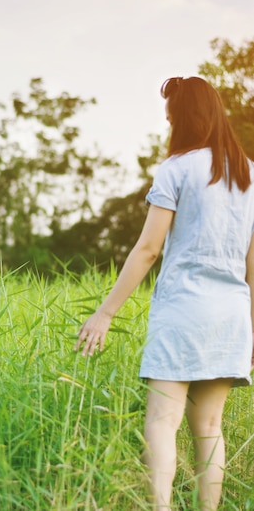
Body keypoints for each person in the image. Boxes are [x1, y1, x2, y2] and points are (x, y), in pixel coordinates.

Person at [74, 76, 254, 511]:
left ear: (185, 117)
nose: (168, 121)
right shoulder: (250, 173)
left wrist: (105, 313)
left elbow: (149, 249)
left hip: (184, 311)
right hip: (232, 316)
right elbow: (253, 267)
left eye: (171, 114)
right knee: (210, 426)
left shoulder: (177, 169)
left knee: (162, 421)